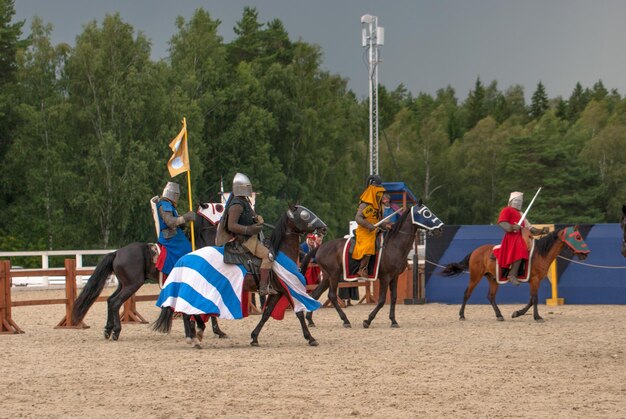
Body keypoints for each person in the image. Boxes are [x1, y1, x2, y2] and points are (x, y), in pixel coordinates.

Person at [222, 173, 276, 296]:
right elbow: (232, 225)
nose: (249, 189)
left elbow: (248, 217)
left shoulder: (244, 201)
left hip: (252, 237)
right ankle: (263, 288)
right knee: (269, 256)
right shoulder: (236, 205)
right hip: (246, 240)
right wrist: (249, 229)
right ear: (241, 188)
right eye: (247, 187)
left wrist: (256, 219)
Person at [493, 191, 548, 285]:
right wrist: (512, 227)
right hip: (512, 237)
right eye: (517, 200)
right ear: (511, 201)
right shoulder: (506, 210)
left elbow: (530, 228)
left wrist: (541, 231)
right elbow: (502, 223)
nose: (519, 203)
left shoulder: (521, 214)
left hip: (521, 235)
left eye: (520, 201)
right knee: (521, 248)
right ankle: (512, 274)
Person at [353, 175, 392, 278]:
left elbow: (379, 221)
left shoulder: (378, 207)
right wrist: (368, 225)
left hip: (375, 230)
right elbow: (358, 218)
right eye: (379, 193)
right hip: (365, 231)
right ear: (374, 192)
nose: (381, 195)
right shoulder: (365, 205)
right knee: (369, 244)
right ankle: (362, 269)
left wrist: (386, 225)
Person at [156, 182, 196, 277]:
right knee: (186, 249)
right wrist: (185, 217)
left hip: (174, 233)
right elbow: (170, 222)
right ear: (174, 194)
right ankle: (179, 274)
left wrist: (182, 222)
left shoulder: (168, 204)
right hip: (170, 236)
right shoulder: (165, 204)